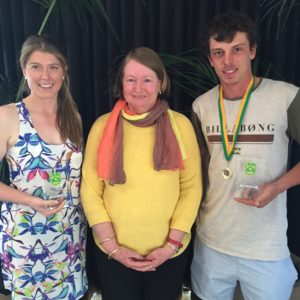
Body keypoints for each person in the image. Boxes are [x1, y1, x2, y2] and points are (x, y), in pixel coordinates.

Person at [191, 11, 300, 300]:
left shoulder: (286, 97)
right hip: (211, 242)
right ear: (211, 59)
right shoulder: (201, 106)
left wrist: (277, 187)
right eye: (219, 53)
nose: (228, 61)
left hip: (265, 247)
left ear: (252, 51)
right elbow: (194, 172)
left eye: (236, 50)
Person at [80, 47, 202, 300]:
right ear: (121, 84)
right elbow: (90, 190)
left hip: (170, 253)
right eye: (131, 79)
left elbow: (191, 189)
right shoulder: (102, 126)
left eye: (147, 80)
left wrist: (171, 246)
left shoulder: (181, 125)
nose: (138, 88)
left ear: (161, 83)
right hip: (114, 254)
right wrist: (113, 248)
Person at [0, 35, 88, 299]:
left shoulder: (74, 117)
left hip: (70, 235)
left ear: (64, 71)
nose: (45, 75)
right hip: (26, 238)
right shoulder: (8, 116)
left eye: (53, 67)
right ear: (24, 70)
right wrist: (30, 200)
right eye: (36, 66)